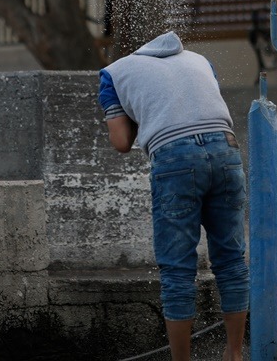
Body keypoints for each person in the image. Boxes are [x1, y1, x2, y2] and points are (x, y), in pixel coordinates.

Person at [98, 31, 249, 361]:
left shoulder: (113, 73)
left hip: (176, 159)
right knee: (231, 261)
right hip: (226, 150)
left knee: (178, 270)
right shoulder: (199, 60)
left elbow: (121, 141)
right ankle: (234, 354)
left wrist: (139, 113)